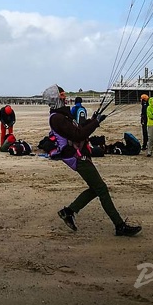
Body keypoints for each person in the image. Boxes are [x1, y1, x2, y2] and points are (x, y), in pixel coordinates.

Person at [44, 84, 141, 237]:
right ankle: (119, 225)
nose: (65, 97)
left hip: (80, 155)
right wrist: (96, 123)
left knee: (97, 188)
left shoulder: (62, 115)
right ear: (56, 98)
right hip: (77, 158)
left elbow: (78, 128)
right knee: (101, 188)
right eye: (62, 95)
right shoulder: (57, 118)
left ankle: (68, 211)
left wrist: (93, 119)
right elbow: (78, 135)